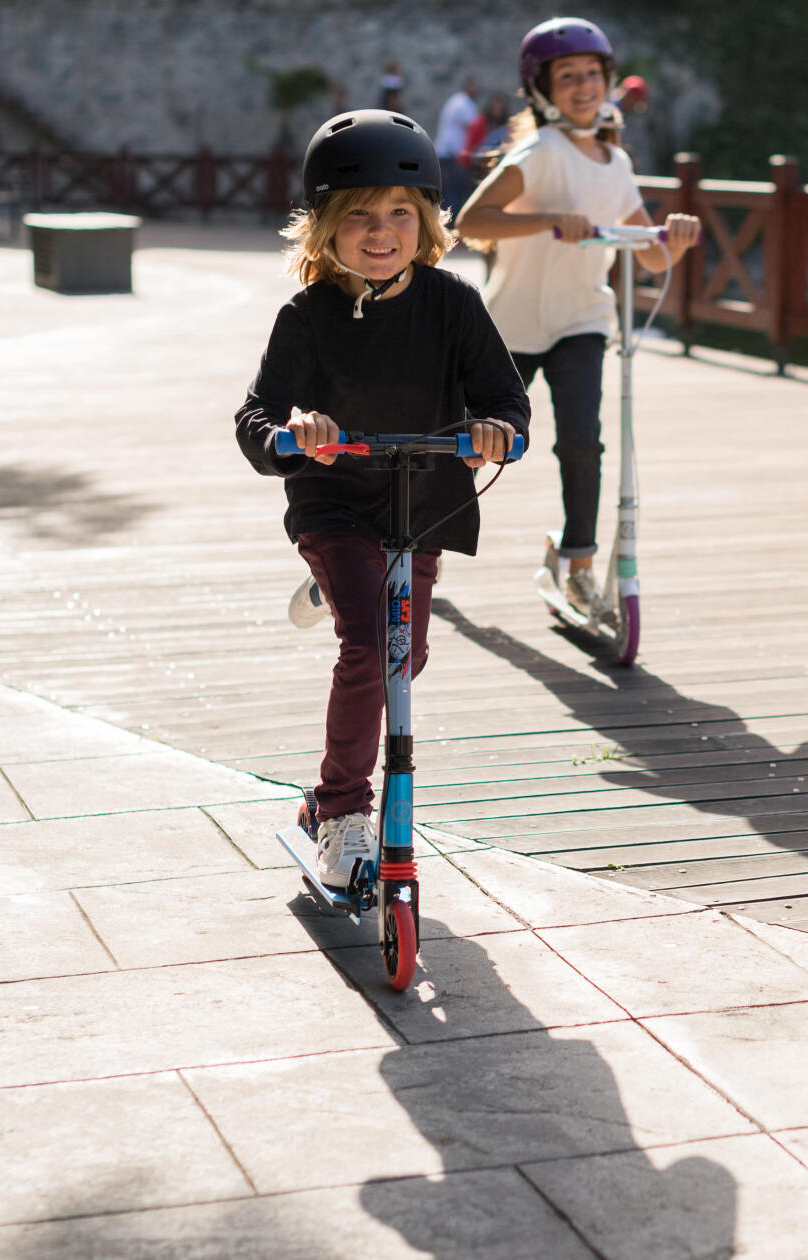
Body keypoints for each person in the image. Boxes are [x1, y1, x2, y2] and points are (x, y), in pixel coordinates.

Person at [235, 108, 528, 887]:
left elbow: (506, 397)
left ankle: (338, 596)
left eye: (401, 213)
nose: (381, 230)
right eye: (358, 214)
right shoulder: (305, 317)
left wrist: (499, 428)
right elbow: (256, 419)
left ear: (427, 222)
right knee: (371, 646)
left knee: (407, 655)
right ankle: (340, 810)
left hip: (420, 504)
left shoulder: (453, 304)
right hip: (334, 504)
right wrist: (294, 434)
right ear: (324, 226)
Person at [456, 17, 699, 617]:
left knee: (583, 444)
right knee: (470, 448)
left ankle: (578, 563)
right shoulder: (538, 154)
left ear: (609, 82)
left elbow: (648, 254)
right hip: (509, 328)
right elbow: (471, 223)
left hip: (582, 322)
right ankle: (401, 539)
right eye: (568, 77)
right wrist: (546, 220)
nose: (584, 86)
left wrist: (678, 239)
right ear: (542, 89)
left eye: (593, 74)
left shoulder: (616, 164)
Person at [434, 74, 481, 215]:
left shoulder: (455, 101)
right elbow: (474, 128)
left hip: (444, 153)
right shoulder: (465, 104)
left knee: (447, 192)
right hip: (452, 155)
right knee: (454, 193)